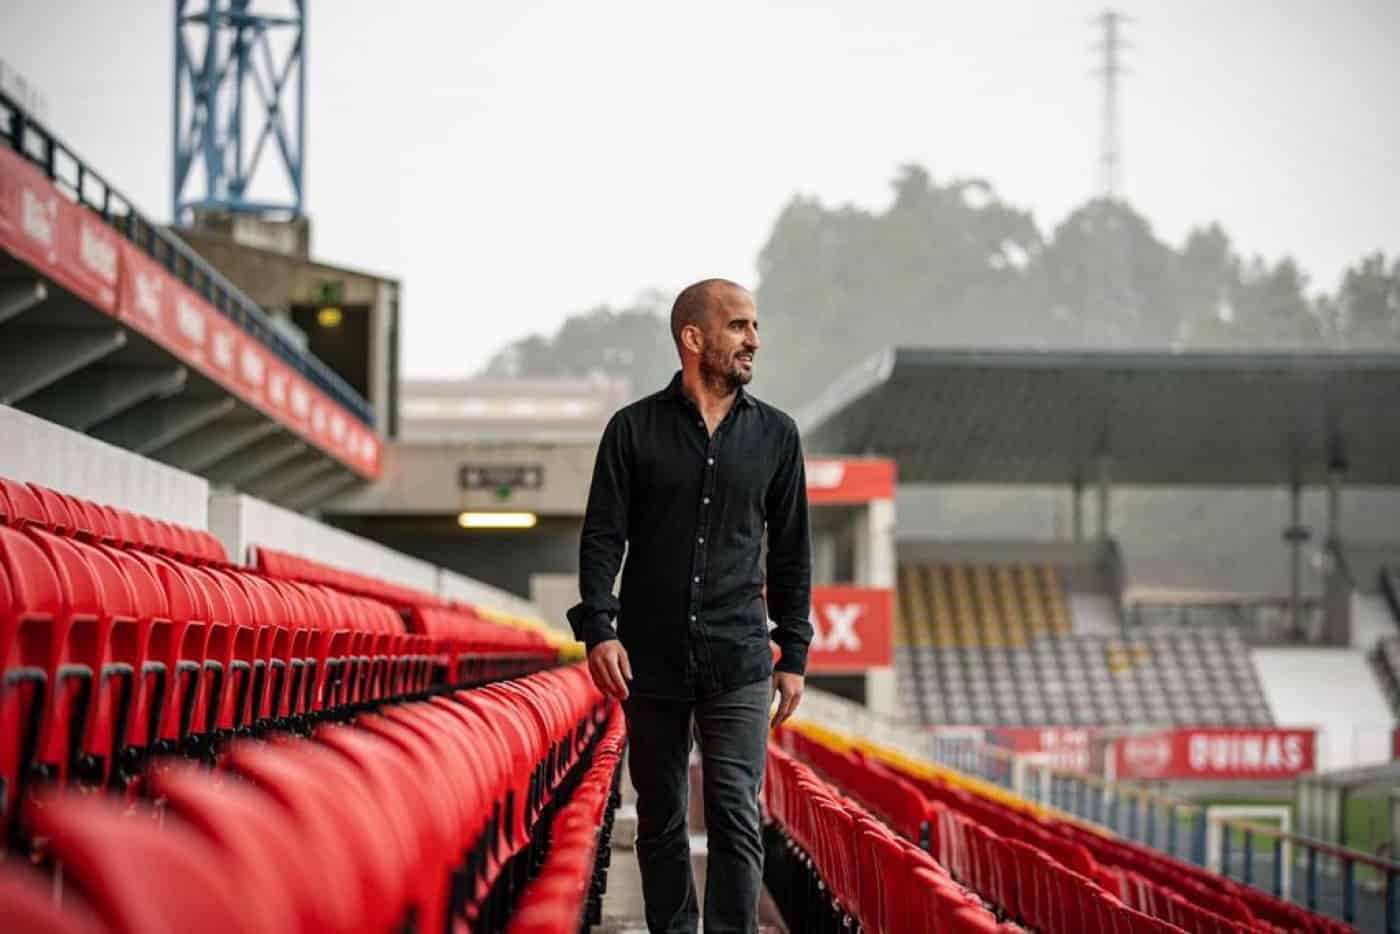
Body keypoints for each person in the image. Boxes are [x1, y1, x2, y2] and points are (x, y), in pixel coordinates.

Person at [567, 278, 813, 934]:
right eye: (738, 327)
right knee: (662, 816)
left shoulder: (779, 437)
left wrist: (795, 652)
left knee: (736, 811)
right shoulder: (632, 430)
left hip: (738, 657)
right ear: (693, 338)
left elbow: (791, 552)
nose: (754, 340)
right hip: (651, 656)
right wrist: (599, 628)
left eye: (755, 327)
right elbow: (602, 536)